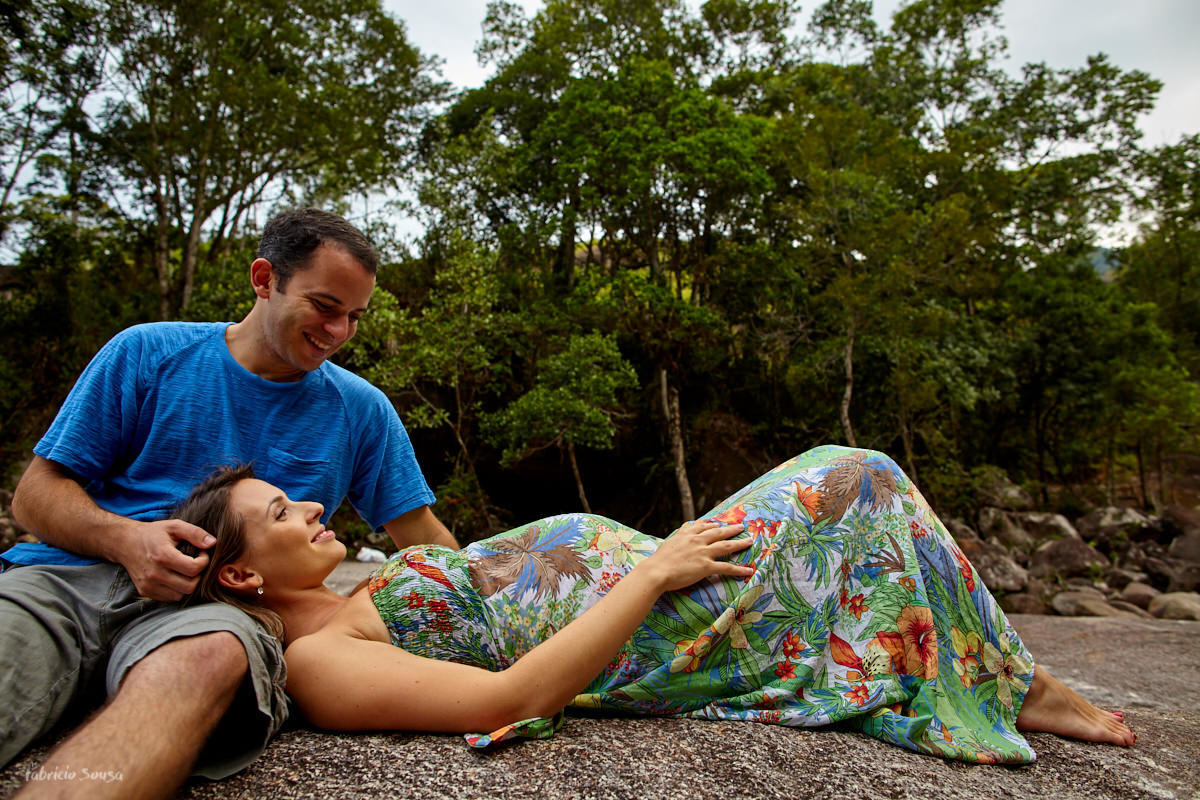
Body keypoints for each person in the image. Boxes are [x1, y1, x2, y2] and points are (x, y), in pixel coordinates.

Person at [172, 447, 1134, 765]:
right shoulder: (319, 663)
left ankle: (1005, 673)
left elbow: (484, 578)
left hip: (661, 579)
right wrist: (650, 575)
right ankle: (1019, 681)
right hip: (661, 620)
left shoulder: (355, 589)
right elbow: (505, 697)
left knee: (857, 498)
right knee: (863, 477)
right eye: (278, 513)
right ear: (245, 576)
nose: (307, 506)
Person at [0, 208, 456, 800]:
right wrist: (128, 541)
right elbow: (34, 498)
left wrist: (503, 611)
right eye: (324, 306)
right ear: (264, 279)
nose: (339, 331)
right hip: (69, 581)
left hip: (218, 612)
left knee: (210, 657)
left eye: (354, 316)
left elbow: (422, 536)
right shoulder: (147, 353)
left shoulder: (361, 411)